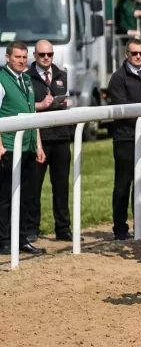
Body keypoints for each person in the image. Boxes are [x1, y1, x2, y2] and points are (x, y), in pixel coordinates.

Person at [0, 41, 47, 254]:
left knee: (26, 196)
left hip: (27, 146)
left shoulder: (27, 80)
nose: (21, 61)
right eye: (17, 57)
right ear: (8, 58)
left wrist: (38, 145)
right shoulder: (2, 80)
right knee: (6, 197)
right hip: (9, 147)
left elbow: (32, 114)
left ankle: (21, 239)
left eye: (24, 57)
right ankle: (4, 240)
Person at [107, 38, 141, 240]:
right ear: (126, 54)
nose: (138, 57)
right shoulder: (118, 78)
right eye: (134, 53)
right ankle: (119, 228)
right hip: (125, 138)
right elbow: (122, 106)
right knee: (123, 184)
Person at [25, 40, 72, 242]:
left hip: (61, 137)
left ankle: (63, 228)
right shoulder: (27, 77)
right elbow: (25, 105)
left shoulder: (61, 75)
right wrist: (41, 105)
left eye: (49, 54)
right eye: (42, 54)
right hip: (39, 139)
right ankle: (31, 229)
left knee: (61, 187)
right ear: (34, 55)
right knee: (33, 187)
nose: (46, 58)